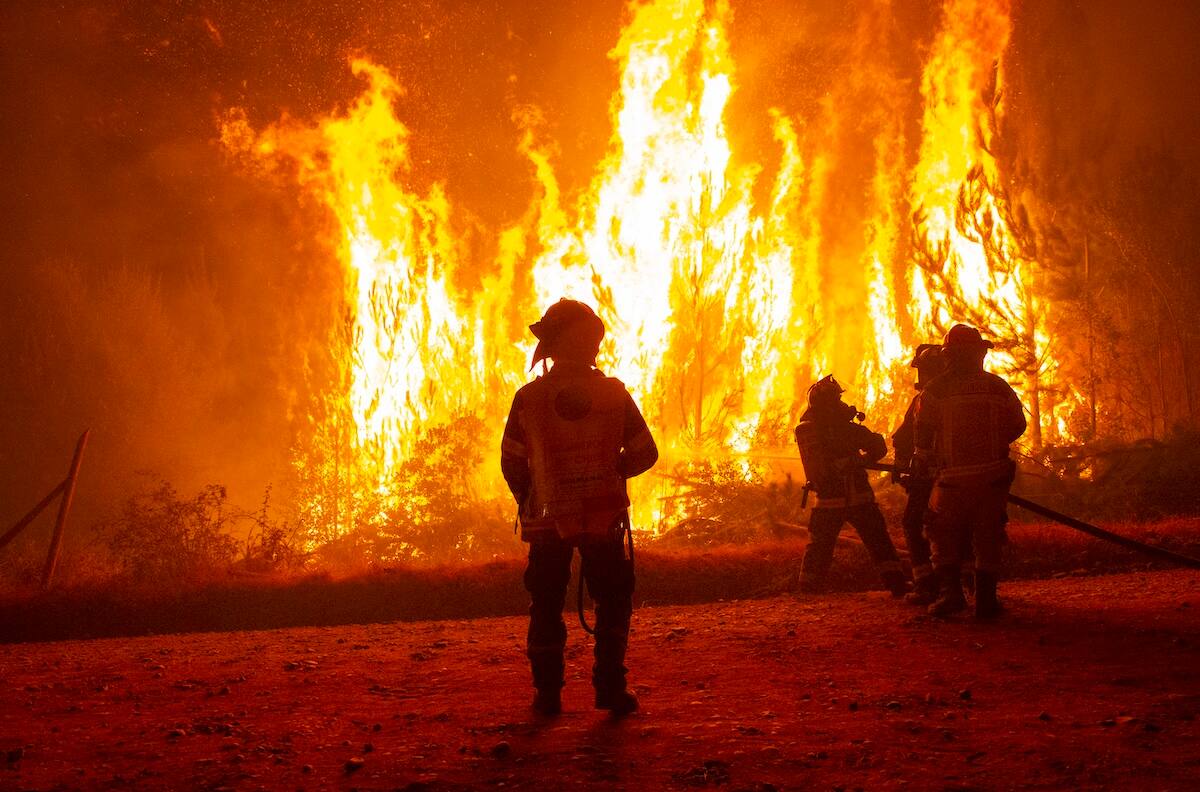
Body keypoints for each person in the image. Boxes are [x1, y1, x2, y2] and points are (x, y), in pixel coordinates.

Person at [500, 299, 658, 717]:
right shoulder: (613, 393)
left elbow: (512, 461)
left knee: (546, 602)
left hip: (547, 518)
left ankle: (547, 696)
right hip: (603, 514)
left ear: (551, 346)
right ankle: (610, 688)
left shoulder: (529, 398)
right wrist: (614, 471)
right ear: (590, 342)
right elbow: (645, 452)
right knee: (613, 598)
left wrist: (532, 498)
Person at [913, 324, 1026, 619]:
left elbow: (922, 434)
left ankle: (951, 596)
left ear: (948, 356)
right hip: (993, 478)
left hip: (952, 480)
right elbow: (1018, 424)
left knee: (943, 534)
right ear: (979, 354)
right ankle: (986, 601)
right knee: (988, 536)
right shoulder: (997, 386)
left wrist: (924, 460)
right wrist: (993, 443)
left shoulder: (934, 390)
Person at [794, 376, 909, 597]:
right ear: (831, 403)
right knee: (878, 541)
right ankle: (897, 585)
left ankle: (808, 590)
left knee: (819, 545)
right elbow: (878, 445)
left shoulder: (810, 430)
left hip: (826, 501)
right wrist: (863, 459)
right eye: (837, 399)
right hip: (858, 498)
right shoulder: (846, 429)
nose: (841, 403)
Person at [891, 344, 944, 605]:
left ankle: (926, 583)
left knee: (914, 522)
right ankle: (966, 583)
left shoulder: (926, 398)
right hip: (961, 476)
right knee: (960, 527)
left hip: (929, 478)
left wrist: (902, 465)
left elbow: (903, 438)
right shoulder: (960, 395)